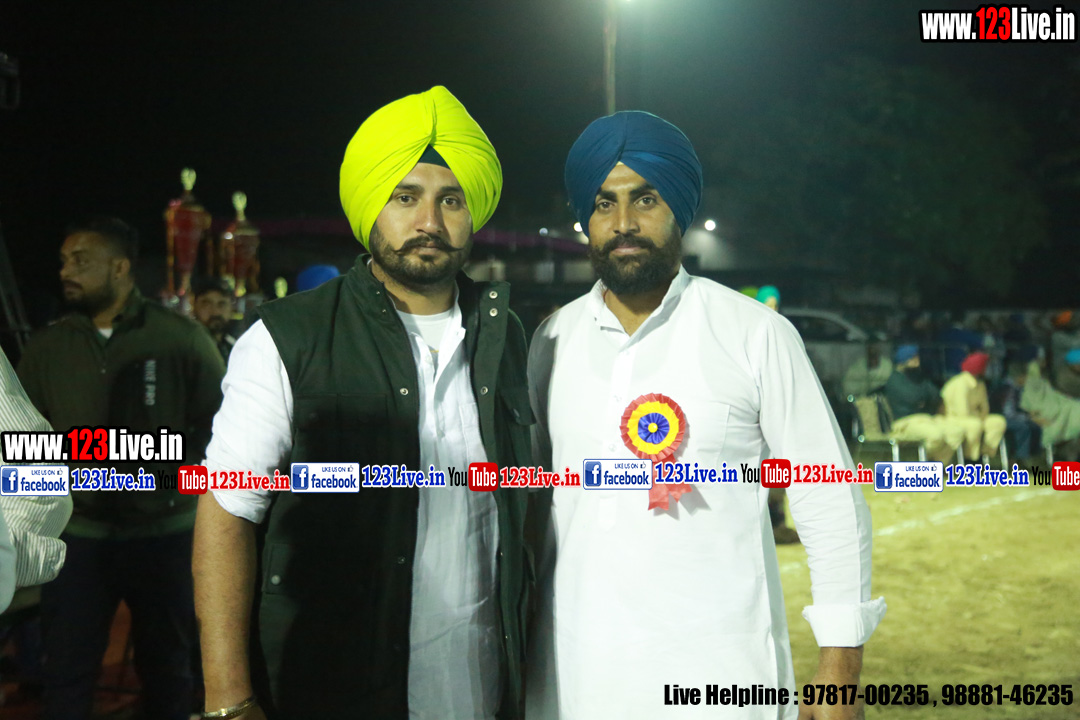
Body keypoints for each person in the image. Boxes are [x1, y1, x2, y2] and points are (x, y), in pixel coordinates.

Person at [193, 86, 537, 720]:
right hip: (336, 686)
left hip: (480, 687)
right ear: (370, 204)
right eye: (405, 197)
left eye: (451, 200)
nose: (429, 222)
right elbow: (227, 511)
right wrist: (229, 700)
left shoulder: (505, 336)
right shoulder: (287, 338)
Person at [527, 110, 884, 720]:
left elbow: (828, 495)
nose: (624, 222)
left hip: (720, 682)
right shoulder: (551, 339)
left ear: (680, 210)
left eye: (645, 199)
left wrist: (840, 670)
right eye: (604, 203)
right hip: (572, 683)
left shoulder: (755, 333)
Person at [17, 216, 225, 720]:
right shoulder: (47, 347)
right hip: (78, 540)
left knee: (168, 671)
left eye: (80, 260)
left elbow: (221, 428)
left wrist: (170, 477)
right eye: (63, 261)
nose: (66, 271)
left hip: (166, 537)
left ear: (119, 267)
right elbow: (22, 441)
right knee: (66, 672)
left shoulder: (180, 338)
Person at [882, 344, 963, 463]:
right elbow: (914, 398)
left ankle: (937, 463)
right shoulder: (894, 380)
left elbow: (935, 395)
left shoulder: (919, 377)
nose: (917, 361)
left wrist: (923, 400)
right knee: (935, 436)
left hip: (926, 419)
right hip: (905, 422)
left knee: (956, 432)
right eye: (913, 358)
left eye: (917, 357)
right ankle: (916, 461)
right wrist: (924, 398)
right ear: (904, 360)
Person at [940, 351, 1007, 462]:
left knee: (998, 422)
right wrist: (978, 413)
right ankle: (970, 459)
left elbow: (985, 409)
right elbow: (963, 412)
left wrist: (980, 414)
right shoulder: (960, 384)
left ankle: (985, 453)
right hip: (953, 419)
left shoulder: (980, 384)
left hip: (975, 418)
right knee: (974, 425)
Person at [192, 276, 237, 362]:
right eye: (206, 304)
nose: (215, 312)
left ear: (231, 308)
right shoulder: (184, 350)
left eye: (222, 304)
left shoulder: (237, 348)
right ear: (194, 306)